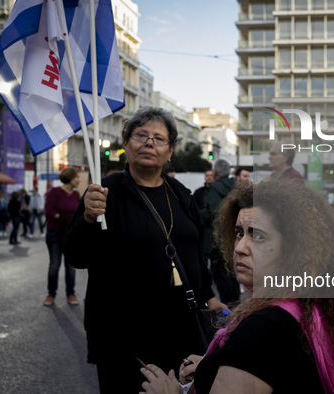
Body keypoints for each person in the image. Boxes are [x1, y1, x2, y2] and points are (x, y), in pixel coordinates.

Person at [139, 178, 334, 394]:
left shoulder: (264, 328)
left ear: (294, 249)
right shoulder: (306, 302)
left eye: (258, 236)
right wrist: (215, 365)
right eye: (239, 233)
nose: (240, 248)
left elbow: (259, 351)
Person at [62, 106, 227, 393]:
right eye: (140, 135)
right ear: (126, 144)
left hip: (182, 332)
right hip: (126, 337)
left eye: (159, 138)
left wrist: (211, 298)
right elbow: (76, 255)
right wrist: (88, 219)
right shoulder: (105, 192)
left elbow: (195, 255)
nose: (149, 142)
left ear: (170, 150)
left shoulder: (181, 194)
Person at [202, 159, 240, 305]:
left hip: (218, 241)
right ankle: (237, 308)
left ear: (216, 172)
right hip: (235, 237)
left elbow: (215, 213)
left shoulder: (214, 188)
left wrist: (200, 214)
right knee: (233, 275)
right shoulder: (235, 187)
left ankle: (227, 313)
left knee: (221, 277)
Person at [43, 167, 80, 307]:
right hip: (55, 232)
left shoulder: (77, 195)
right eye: (77, 177)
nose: (79, 179)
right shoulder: (55, 191)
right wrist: (64, 218)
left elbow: (79, 213)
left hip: (70, 234)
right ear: (70, 178)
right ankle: (51, 294)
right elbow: (49, 211)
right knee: (54, 265)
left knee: (71, 266)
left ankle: (71, 293)